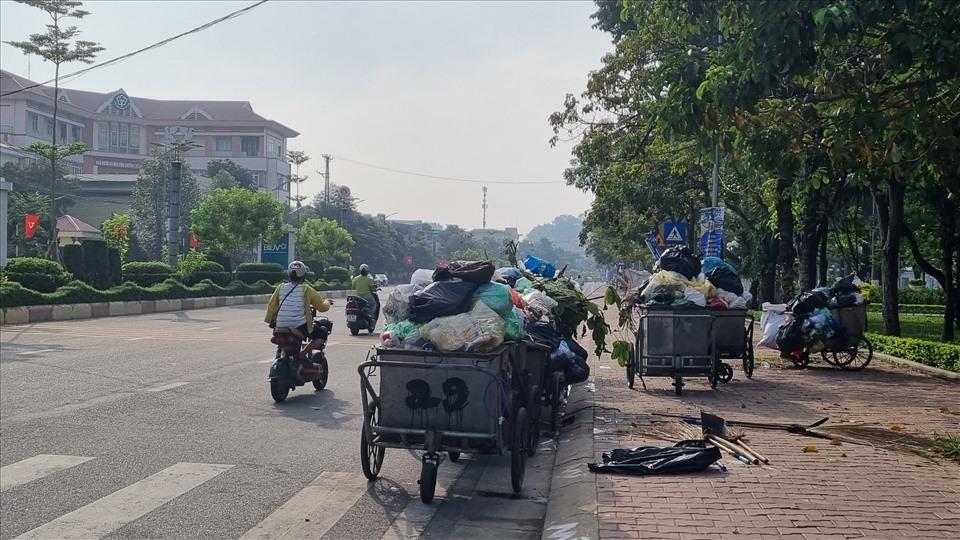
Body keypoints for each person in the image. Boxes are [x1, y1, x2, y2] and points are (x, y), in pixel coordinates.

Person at [264, 261, 331, 360]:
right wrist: (327, 302)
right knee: (322, 334)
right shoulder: (306, 289)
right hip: (299, 325)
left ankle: (279, 352)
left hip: (280, 325)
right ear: (303, 275)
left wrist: (270, 320)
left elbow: (271, 306)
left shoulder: (280, 287)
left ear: (289, 274)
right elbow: (322, 307)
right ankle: (303, 353)